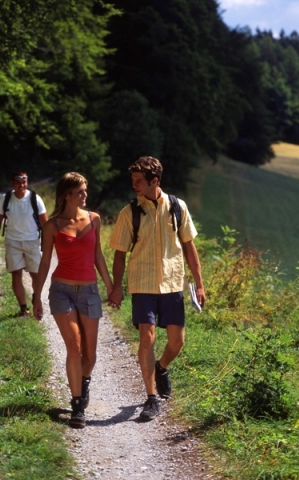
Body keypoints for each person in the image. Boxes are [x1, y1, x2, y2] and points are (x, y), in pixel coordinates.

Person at [109, 156, 206, 421]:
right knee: (147, 338)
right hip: (142, 284)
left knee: (177, 341)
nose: (134, 185)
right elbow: (119, 254)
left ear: (155, 181)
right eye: (132, 181)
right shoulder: (129, 212)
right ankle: (151, 399)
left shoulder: (177, 206)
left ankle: (161, 367)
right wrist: (117, 287)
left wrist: (199, 284)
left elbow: (189, 246)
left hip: (173, 283)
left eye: (139, 181)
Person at [33, 172, 113, 428]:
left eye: (85, 191)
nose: (84, 195)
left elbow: (98, 255)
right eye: (80, 191)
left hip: (89, 291)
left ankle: (84, 381)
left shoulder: (94, 219)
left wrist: (111, 287)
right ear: (67, 195)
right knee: (74, 346)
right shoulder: (52, 225)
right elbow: (45, 261)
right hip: (61, 291)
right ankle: (77, 405)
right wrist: (36, 295)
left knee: (90, 354)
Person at [0, 170, 48, 317]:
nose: (22, 184)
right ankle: (23, 308)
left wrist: (48, 245)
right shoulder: (6, 199)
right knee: (16, 274)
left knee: (36, 275)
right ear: (13, 183)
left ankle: (37, 299)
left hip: (32, 241)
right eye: (19, 182)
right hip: (12, 241)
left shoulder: (35, 199)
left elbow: (45, 224)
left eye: (25, 181)